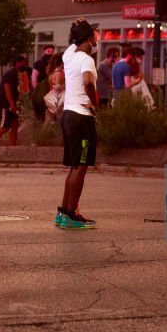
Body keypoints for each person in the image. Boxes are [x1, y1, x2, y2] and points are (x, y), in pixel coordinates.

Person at [57, 18, 100, 229]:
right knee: (81, 167)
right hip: (81, 117)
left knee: (74, 167)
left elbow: (74, 42)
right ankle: (71, 215)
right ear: (89, 38)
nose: (97, 37)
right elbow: (87, 82)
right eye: (94, 34)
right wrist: (95, 103)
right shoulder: (86, 60)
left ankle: (64, 211)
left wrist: (77, 26)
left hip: (67, 116)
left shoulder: (69, 55)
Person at [30, 45, 55, 123]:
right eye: (48, 51)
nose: (50, 53)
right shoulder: (39, 63)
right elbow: (34, 76)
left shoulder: (52, 63)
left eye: (52, 51)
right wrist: (37, 89)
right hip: (41, 89)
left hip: (49, 90)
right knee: (40, 112)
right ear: (44, 51)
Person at [43, 52, 65, 124]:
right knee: (54, 125)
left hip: (52, 101)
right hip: (56, 102)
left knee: (49, 124)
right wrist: (67, 85)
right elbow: (57, 88)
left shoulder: (53, 72)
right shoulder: (58, 73)